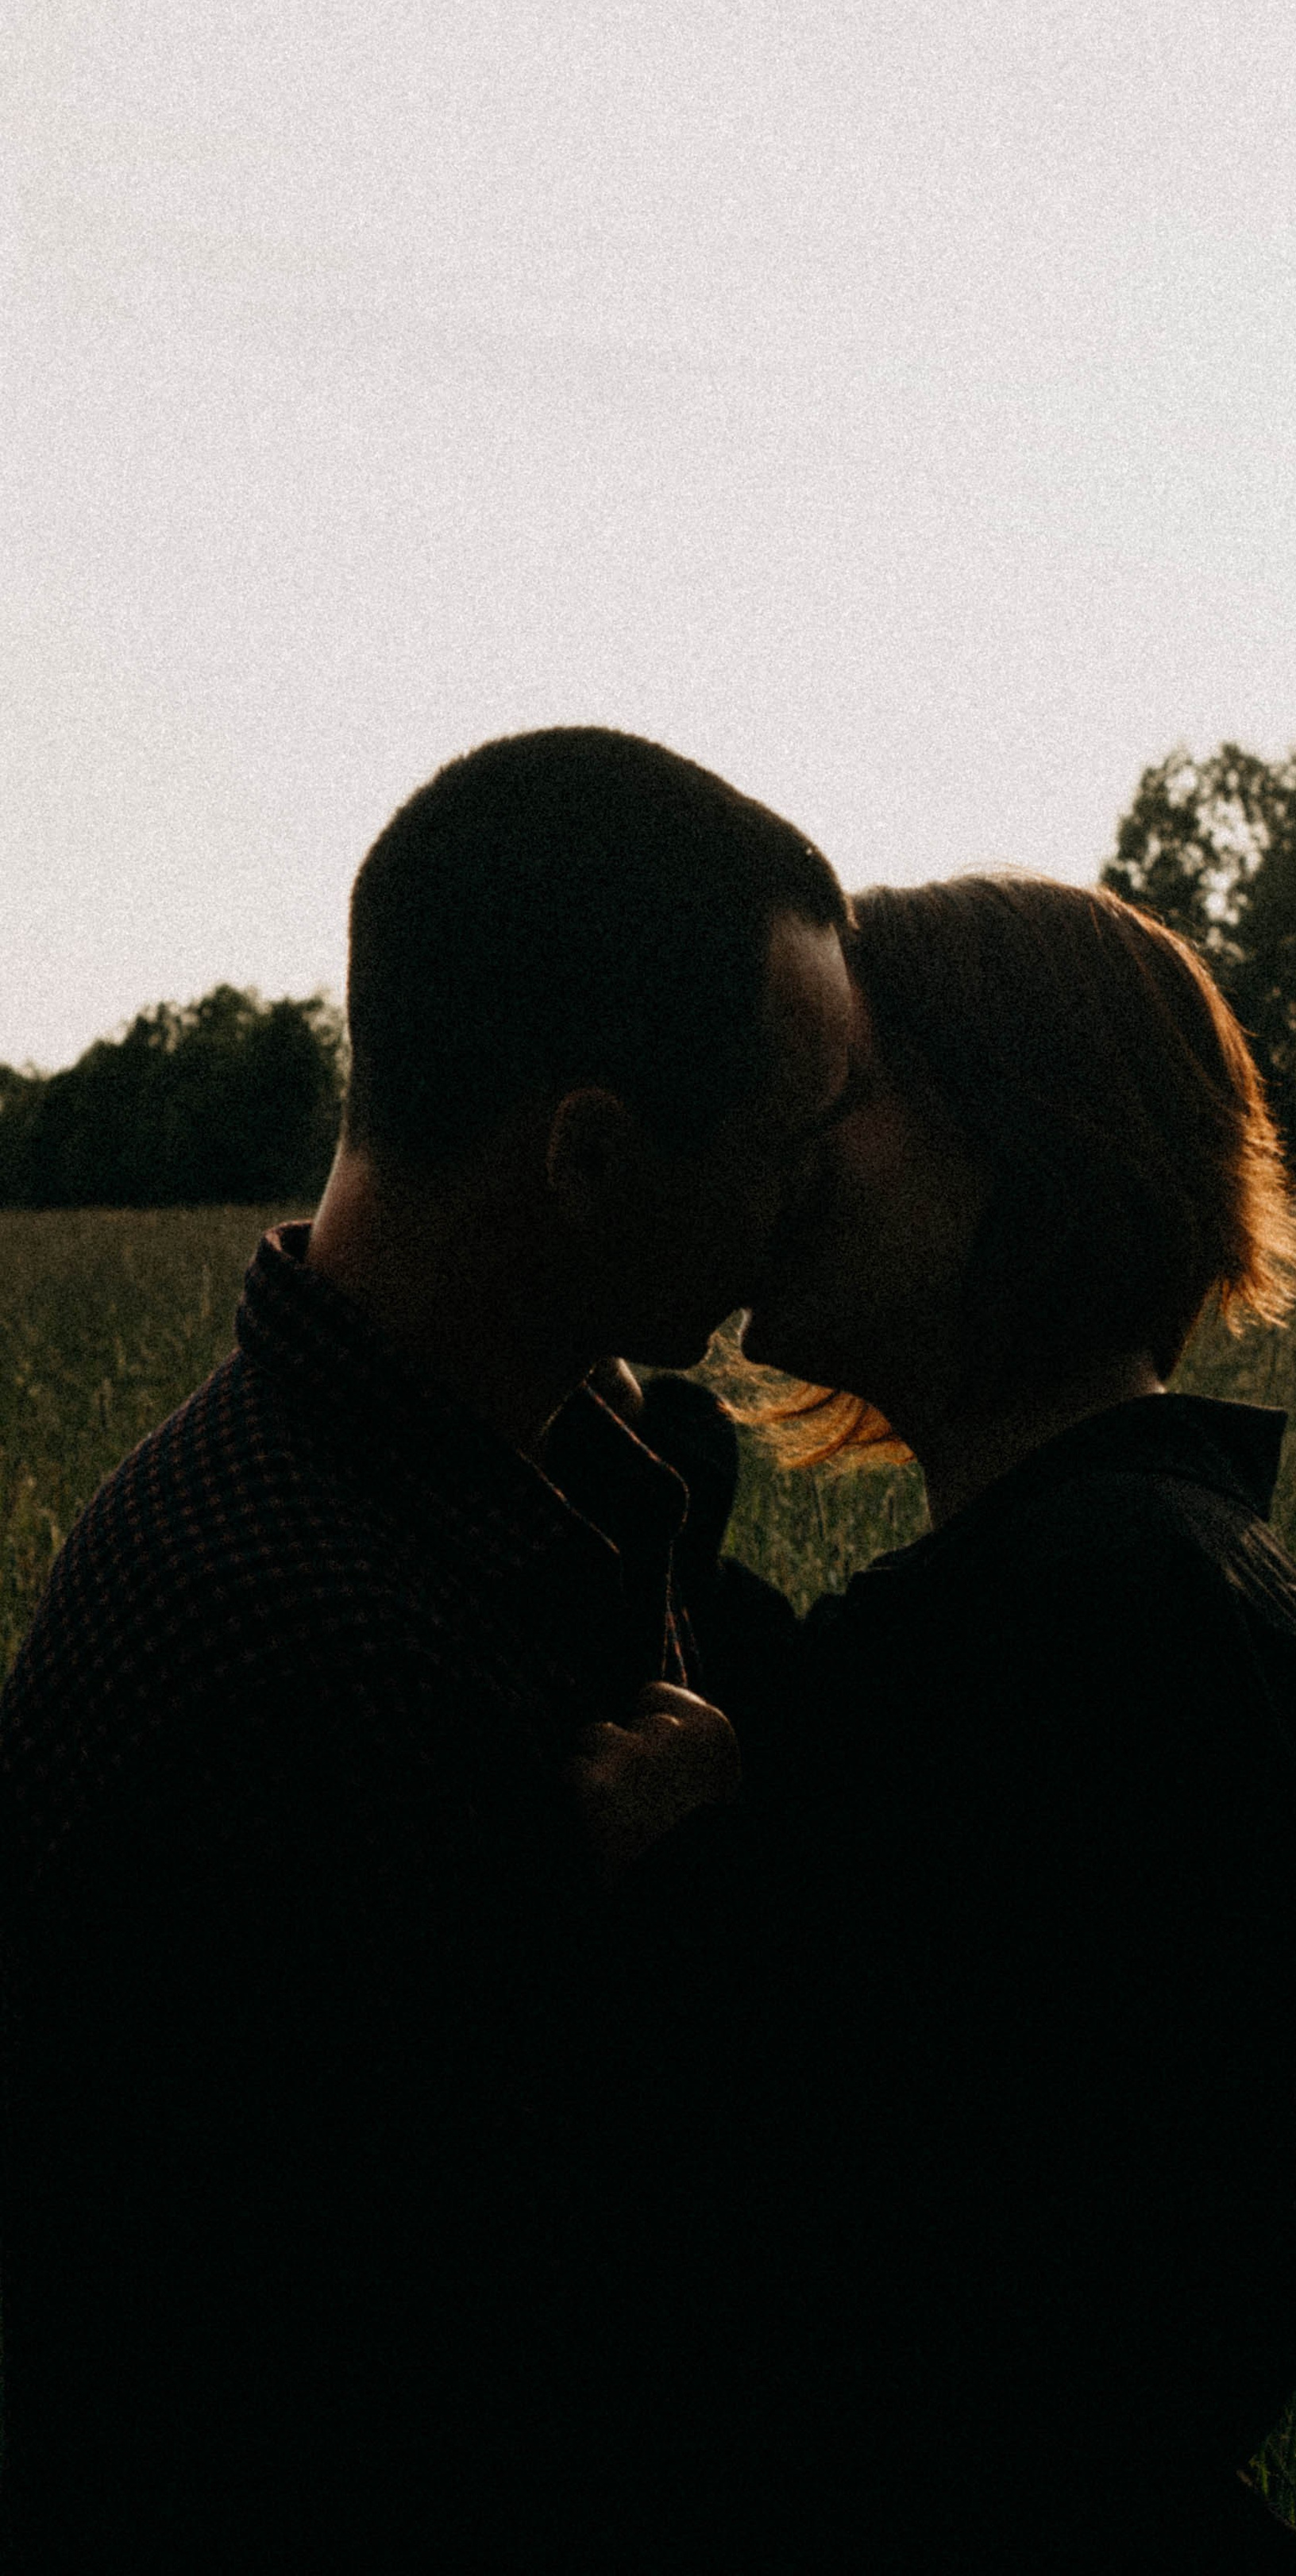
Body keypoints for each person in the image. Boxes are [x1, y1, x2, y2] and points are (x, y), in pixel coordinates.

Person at [0, 727, 855, 2573]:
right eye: (788, 1151)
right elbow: (518, 2378)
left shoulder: (524, 1481)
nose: (810, 1212)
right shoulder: (313, 1669)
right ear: (589, 1156)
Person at [634, 876, 1296, 2574]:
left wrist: (692, 1863)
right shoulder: (1113, 1573)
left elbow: (975, 2281)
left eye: (839, 1093)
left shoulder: (1087, 1620)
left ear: (1024, 1137)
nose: (780, 1139)